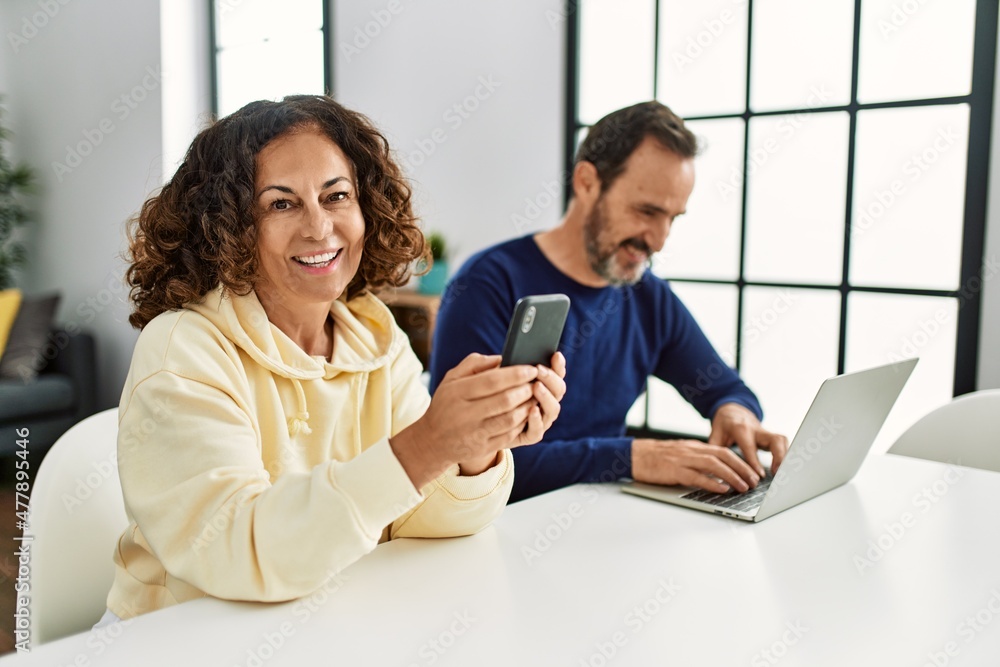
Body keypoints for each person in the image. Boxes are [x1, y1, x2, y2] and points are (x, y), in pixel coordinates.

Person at [104, 95, 566, 622]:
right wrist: (427, 443)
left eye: (337, 196)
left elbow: (421, 519)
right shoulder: (183, 347)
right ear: (228, 227)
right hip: (179, 639)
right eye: (281, 204)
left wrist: (472, 448)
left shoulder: (372, 335)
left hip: (325, 622)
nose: (319, 228)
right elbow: (242, 552)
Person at [430, 101, 786, 503]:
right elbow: (463, 462)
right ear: (586, 182)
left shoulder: (648, 297)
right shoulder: (488, 285)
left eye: (673, 217)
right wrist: (632, 458)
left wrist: (734, 411)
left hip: (607, 523)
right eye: (646, 211)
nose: (658, 239)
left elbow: (725, 389)